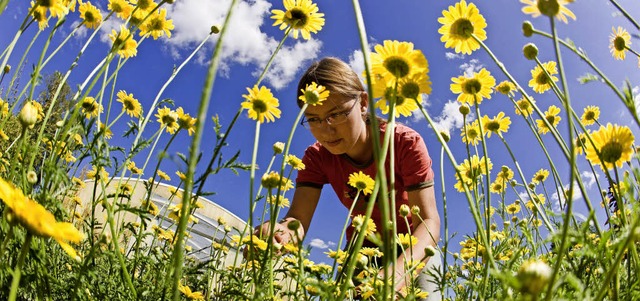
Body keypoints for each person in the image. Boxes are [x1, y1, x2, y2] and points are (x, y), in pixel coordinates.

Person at [256, 57, 441, 300]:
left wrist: (399, 273)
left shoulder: (404, 143)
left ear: (363, 103)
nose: (326, 130)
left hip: (414, 246)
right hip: (361, 249)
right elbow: (298, 219)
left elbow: (428, 221)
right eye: (313, 119)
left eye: (337, 115)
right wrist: (280, 232)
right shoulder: (316, 158)